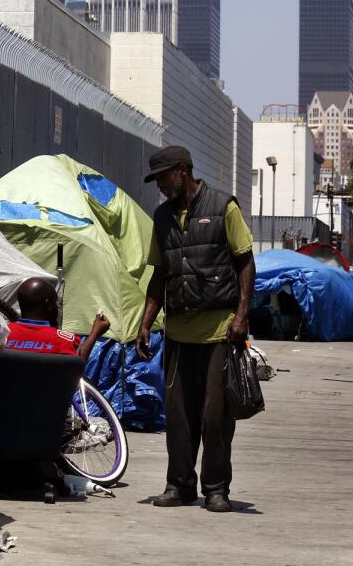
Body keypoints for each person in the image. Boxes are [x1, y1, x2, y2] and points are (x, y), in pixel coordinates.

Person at [135, 145, 255, 513]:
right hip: (178, 335)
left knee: (215, 415)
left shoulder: (223, 207)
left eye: (162, 177)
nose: (158, 185)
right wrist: (145, 321)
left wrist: (241, 316)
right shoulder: (162, 217)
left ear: (182, 171)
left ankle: (217, 488)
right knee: (178, 417)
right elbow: (160, 274)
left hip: (219, 331)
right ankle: (180, 485)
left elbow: (245, 263)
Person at [7, 277, 110, 361]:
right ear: (48, 304)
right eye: (55, 302)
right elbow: (77, 365)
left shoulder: (2, 334)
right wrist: (95, 333)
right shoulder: (65, 340)